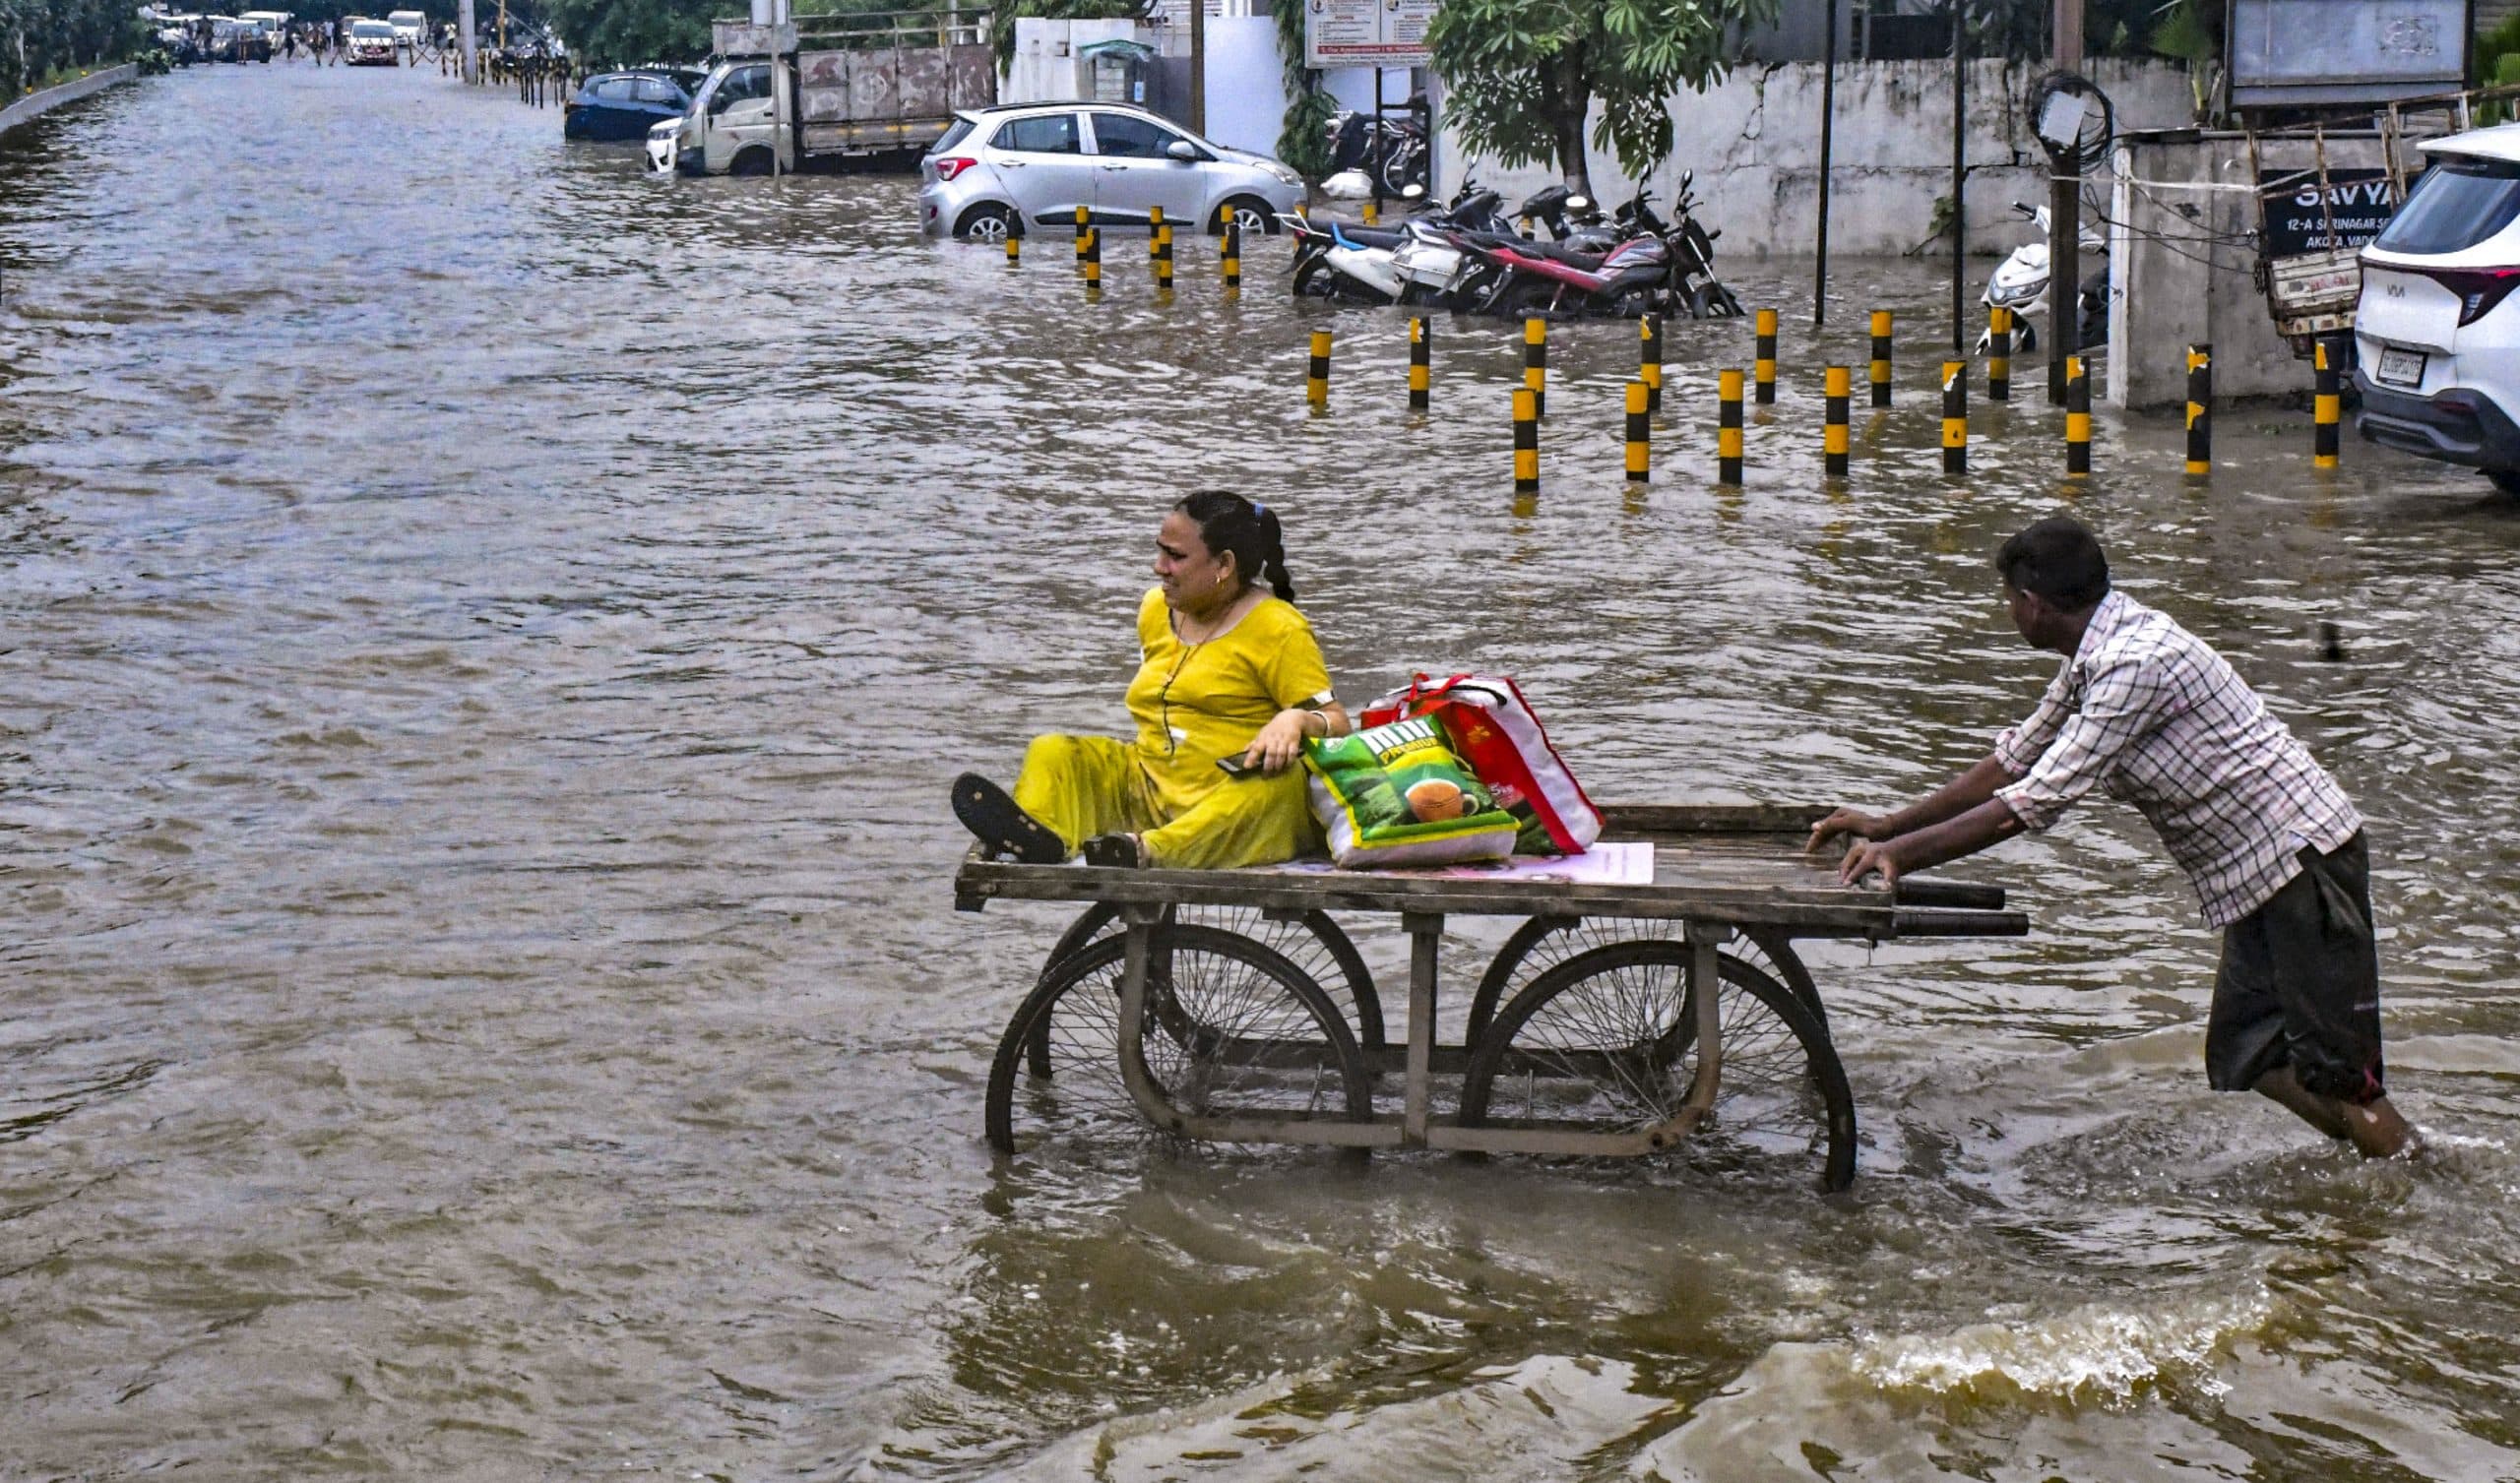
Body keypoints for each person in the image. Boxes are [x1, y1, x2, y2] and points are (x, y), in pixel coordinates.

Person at [1808, 515, 2416, 1158]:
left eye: (2010, 599)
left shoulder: (2134, 667)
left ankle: (2414, 1175)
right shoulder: (2097, 651)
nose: (2010, 611)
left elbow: (2031, 802)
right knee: (2244, 1050)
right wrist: (1890, 825)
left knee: (2345, 1080)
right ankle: (2375, 1173)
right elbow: (2015, 759)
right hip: (2261, 873)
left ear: (2035, 605)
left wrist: (1899, 856)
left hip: (2304, 860)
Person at [953, 492, 1347, 871]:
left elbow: (1339, 724)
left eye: (1174, 556)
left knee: (1276, 784)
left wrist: (1295, 720)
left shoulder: (1279, 628)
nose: (1159, 566)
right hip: (1148, 787)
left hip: (1233, 808)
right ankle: (1043, 836)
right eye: (1160, 550)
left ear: (1224, 565)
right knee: (1052, 750)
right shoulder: (1156, 608)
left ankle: (1149, 851)